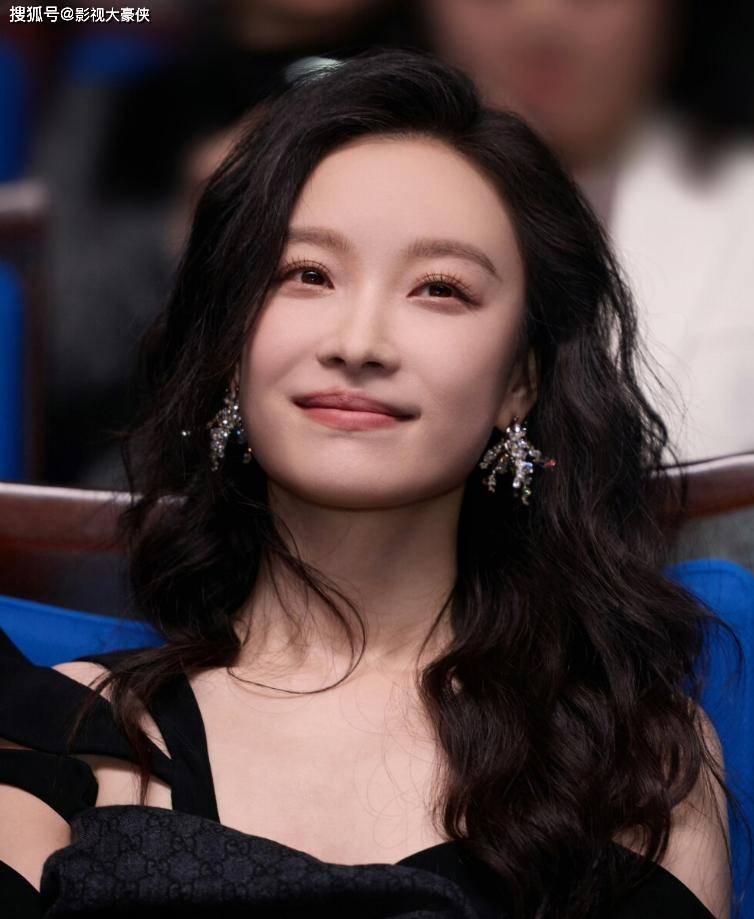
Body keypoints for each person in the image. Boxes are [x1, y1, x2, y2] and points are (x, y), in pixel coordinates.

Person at [0, 49, 736, 917]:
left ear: (520, 382)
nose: (358, 342)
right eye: (307, 274)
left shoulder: (631, 754)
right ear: (233, 345)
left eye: (440, 289)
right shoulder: (64, 727)